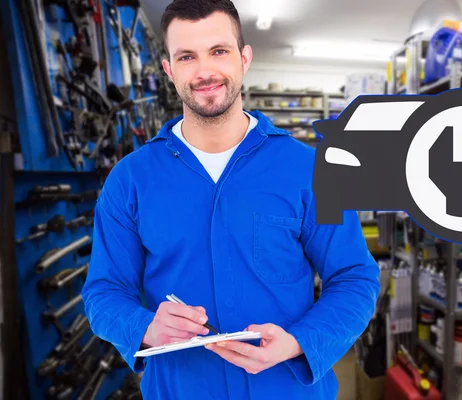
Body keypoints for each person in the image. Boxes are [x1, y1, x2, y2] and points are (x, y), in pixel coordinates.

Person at [81, 0, 380, 398]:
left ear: (244, 58)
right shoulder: (129, 180)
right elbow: (103, 293)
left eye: (218, 51)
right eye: (187, 56)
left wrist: (298, 342)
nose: (205, 71)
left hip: (287, 389)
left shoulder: (311, 171)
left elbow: (354, 278)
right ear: (169, 70)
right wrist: (145, 327)